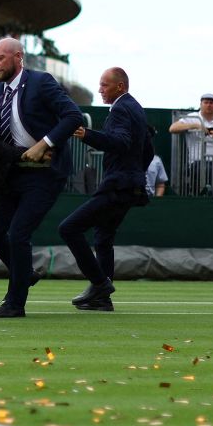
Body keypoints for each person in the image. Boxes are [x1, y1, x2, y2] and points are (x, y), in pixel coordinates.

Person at [0, 38, 84, 318]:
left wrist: (44, 144)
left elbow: (74, 116)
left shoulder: (41, 82)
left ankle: (15, 304)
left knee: (18, 234)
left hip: (44, 174)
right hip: (10, 171)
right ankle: (25, 272)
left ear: (18, 57)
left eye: (0, 57)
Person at [58, 68, 152, 312]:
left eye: (104, 85)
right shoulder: (135, 108)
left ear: (120, 87)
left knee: (69, 228)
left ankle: (100, 285)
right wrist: (135, 172)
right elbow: (148, 150)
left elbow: (120, 143)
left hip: (118, 185)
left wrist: (86, 134)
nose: (99, 89)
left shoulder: (121, 109)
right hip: (130, 185)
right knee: (103, 238)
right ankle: (102, 299)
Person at [168, 93, 213, 194]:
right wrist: (196, 125)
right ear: (200, 104)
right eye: (206, 102)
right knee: (208, 171)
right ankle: (211, 200)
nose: (208, 105)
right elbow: (172, 128)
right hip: (198, 160)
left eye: (211, 103)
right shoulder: (193, 117)